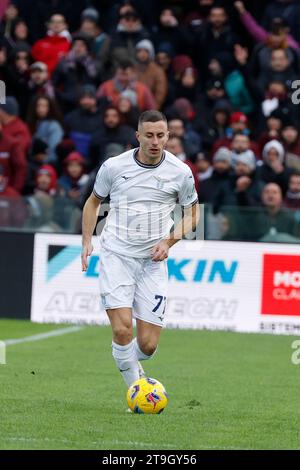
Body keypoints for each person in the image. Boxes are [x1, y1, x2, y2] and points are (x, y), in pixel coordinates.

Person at [81, 110, 199, 397]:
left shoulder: (180, 172)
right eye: (149, 135)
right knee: (122, 331)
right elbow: (93, 202)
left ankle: (129, 363)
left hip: (152, 262)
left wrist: (168, 242)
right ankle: (137, 391)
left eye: (161, 135)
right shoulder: (113, 167)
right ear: (138, 136)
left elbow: (193, 213)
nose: (155, 141)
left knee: (147, 345)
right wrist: (86, 241)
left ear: (168, 136)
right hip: (117, 256)